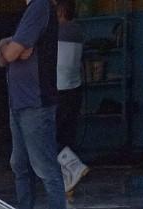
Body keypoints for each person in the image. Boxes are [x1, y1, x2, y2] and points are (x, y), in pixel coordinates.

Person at [0, 0, 69, 209]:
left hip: (35, 104)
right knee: (20, 165)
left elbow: (11, 52)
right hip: (19, 104)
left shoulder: (40, 6)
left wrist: (10, 48)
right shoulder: (31, 10)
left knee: (45, 169)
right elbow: (5, 56)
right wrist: (9, 47)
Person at [55, 1, 84, 154]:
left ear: (60, 11)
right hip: (75, 89)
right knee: (69, 136)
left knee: (55, 135)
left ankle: (57, 174)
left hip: (60, 90)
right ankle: (70, 174)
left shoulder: (58, 31)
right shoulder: (77, 30)